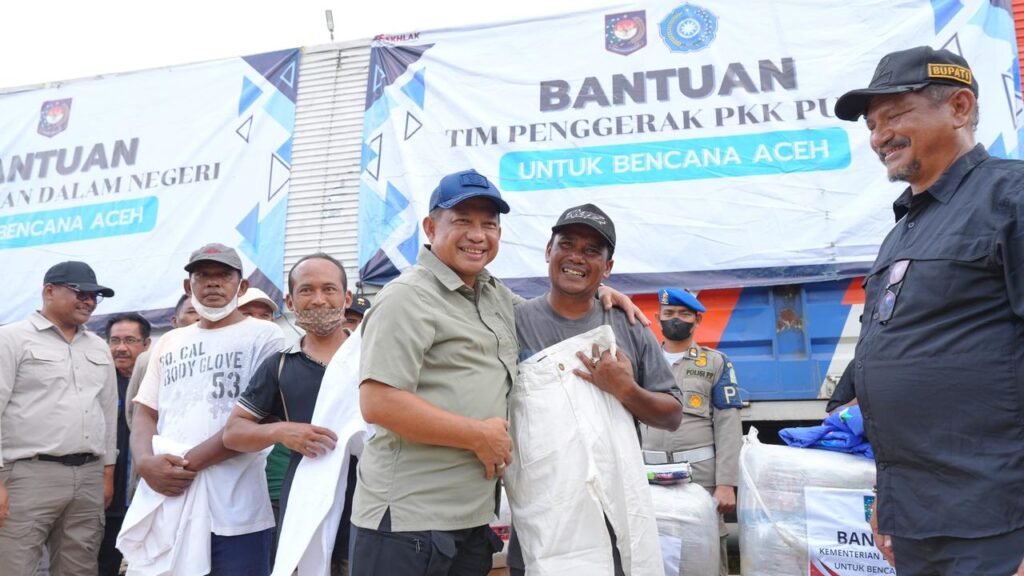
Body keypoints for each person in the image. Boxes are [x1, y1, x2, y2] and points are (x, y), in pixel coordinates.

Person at [351, 170, 644, 575]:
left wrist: (598, 292)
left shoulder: (490, 293)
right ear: (431, 228)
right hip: (407, 521)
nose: (477, 235)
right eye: (462, 221)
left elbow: (553, 310)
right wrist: (476, 435)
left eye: (488, 224)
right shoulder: (406, 298)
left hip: (470, 520)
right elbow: (378, 403)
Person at [835, 45, 1024, 575]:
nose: (879, 137)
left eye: (895, 116)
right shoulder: (902, 232)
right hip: (918, 521)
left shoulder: (1011, 198)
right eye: (872, 126)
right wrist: (890, 501)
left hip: (999, 522)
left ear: (959, 108)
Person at [507, 203, 683, 576]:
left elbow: (672, 415)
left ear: (608, 267)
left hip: (613, 523)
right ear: (548, 251)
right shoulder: (512, 323)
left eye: (591, 251)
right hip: (544, 516)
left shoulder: (629, 326)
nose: (576, 257)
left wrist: (626, 390)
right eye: (566, 245)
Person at [126, 243, 285, 574]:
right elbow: (146, 412)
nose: (213, 282)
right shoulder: (170, 341)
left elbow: (266, 416)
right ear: (189, 286)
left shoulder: (266, 336)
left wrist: (187, 464)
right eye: (202, 275)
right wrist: (144, 464)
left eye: (223, 275)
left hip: (236, 506)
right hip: (169, 495)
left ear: (242, 286)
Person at [223, 253, 356, 575]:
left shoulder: (373, 354)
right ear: (290, 301)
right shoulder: (280, 365)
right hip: (305, 501)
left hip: (372, 503)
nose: (319, 299)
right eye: (306, 290)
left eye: (329, 289)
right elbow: (233, 432)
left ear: (347, 298)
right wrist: (281, 432)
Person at [0, 261, 117, 574]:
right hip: (27, 476)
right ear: (49, 291)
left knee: (80, 568)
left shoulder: (98, 346)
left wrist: (107, 473)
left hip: (89, 477)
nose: (89, 301)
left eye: (94, 296)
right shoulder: (10, 339)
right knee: (13, 567)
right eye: (80, 292)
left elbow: (107, 412)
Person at [641, 288, 742, 576]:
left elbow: (728, 425)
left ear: (697, 320)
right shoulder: (641, 362)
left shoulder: (715, 362)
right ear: (657, 318)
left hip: (700, 479)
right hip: (648, 476)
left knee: (706, 549)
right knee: (652, 547)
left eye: (684, 314)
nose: (676, 319)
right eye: (669, 313)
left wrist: (726, 483)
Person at [98, 312, 152, 576]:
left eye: (130, 340)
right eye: (114, 340)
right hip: (107, 496)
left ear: (147, 344)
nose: (120, 348)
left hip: (146, 494)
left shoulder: (156, 383)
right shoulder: (99, 383)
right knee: (103, 563)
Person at [124, 294, 200, 432]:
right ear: (175, 321)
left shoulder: (224, 354)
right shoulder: (149, 359)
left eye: (204, 312)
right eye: (192, 312)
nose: (199, 317)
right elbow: (133, 411)